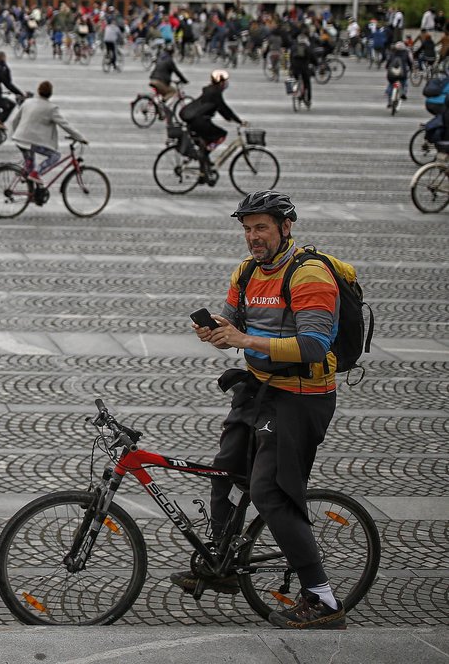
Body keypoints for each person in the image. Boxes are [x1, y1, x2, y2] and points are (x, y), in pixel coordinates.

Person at [170, 191, 345, 630]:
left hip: (302, 396)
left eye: (261, 228)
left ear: (286, 227)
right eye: (247, 229)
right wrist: (216, 332)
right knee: (224, 472)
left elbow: (313, 345)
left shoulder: (311, 276)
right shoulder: (246, 272)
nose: (253, 238)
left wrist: (245, 341)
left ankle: (322, 598)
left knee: (271, 492)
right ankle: (222, 563)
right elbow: (234, 321)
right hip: (260, 387)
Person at [11, 80, 86, 183]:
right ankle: (36, 173)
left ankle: (32, 191)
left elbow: (15, 120)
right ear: (50, 94)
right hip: (31, 143)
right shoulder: (51, 108)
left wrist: (17, 134)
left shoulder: (28, 102)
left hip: (19, 140)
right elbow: (65, 125)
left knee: (30, 169)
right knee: (55, 156)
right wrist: (80, 137)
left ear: (38, 90)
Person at [180, 70, 245, 181]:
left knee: (207, 140)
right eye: (225, 81)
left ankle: (203, 170)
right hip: (199, 122)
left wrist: (230, 118)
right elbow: (224, 108)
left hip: (197, 121)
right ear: (220, 82)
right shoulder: (215, 93)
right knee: (221, 135)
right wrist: (238, 121)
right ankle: (204, 154)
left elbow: (221, 109)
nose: (226, 84)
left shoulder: (211, 90)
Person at [289, 32, 316, 107]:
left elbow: (291, 58)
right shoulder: (307, 47)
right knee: (307, 82)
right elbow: (313, 58)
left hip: (295, 68)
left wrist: (291, 67)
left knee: (296, 79)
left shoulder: (294, 47)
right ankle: (309, 99)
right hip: (304, 68)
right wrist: (316, 64)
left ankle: (295, 90)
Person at [384, 40, 412, 106]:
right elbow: (409, 63)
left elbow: (388, 63)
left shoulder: (392, 53)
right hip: (402, 74)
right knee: (404, 83)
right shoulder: (406, 53)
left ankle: (389, 102)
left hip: (392, 74)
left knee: (391, 85)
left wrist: (387, 67)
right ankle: (403, 93)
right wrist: (411, 69)